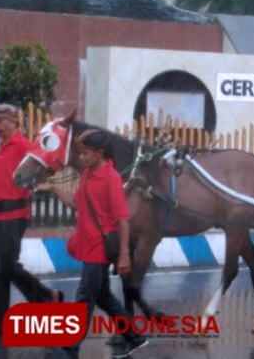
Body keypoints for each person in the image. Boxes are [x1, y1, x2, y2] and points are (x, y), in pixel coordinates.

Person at [36, 129, 148, 359]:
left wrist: (124, 254)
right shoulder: (87, 174)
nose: (81, 157)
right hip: (87, 244)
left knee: (84, 296)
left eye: (85, 153)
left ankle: (70, 348)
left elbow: (122, 219)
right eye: (80, 153)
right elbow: (78, 204)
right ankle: (135, 337)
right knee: (103, 296)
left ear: (99, 153)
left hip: (100, 246)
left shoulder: (111, 178)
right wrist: (55, 189)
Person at [0, 104, 64, 337]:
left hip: (13, 215)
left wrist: (39, 184)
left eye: (0, 121)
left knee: (7, 265)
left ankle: (46, 297)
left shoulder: (22, 145)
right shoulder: (3, 146)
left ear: (13, 122)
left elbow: (44, 164)